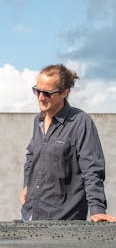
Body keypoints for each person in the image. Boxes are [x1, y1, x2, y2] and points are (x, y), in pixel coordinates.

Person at [21, 64, 116, 222]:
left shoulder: (80, 122)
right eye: (37, 91)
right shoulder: (38, 121)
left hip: (63, 220)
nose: (40, 97)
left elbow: (92, 169)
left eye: (47, 93)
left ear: (65, 92)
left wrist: (97, 209)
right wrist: (27, 185)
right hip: (30, 214)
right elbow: (31, 156)